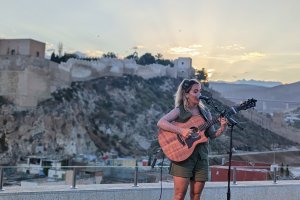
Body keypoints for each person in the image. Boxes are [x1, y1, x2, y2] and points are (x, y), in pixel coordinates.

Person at [157, 79, 228, 200]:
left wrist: (223, 127)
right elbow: (161, 122)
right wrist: (182, 131)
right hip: (182, 156)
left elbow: (212, 135)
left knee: (196, 196)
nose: (199, 94)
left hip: (201, 157)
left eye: (200, 91)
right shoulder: (179, 110)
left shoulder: (206, 112)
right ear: (186, 94)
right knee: (179, 196)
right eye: (195, 91)